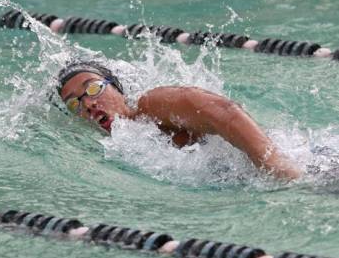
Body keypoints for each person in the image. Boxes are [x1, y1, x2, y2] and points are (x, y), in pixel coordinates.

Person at [51, 61, 301, 180]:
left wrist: (276, 164)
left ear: (116, 88)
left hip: (306, 165)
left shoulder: (150, 106)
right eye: (75, 103)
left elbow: (222, 110)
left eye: (93, 89)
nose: (89, 104)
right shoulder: (117, 148)